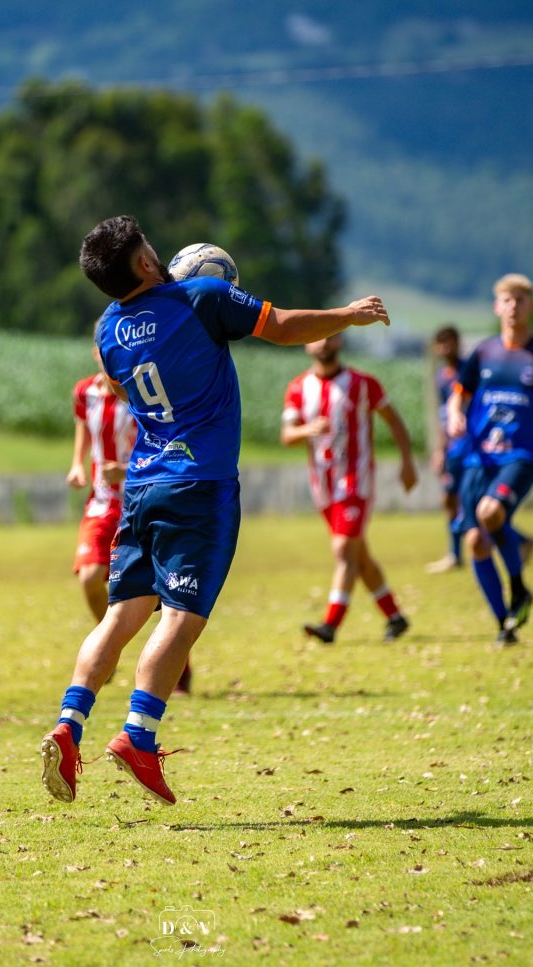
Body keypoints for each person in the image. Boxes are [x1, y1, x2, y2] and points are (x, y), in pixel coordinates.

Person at [41, 214, 391, 806]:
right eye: (151, 247)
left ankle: (69, 725)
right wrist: (348, 315)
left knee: (121, 616)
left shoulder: (105, 330)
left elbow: (125, 391)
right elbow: (280, 326)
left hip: (142, 484)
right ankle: (137, 736)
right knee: (180, 616)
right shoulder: (201, 297)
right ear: (147, 264)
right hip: (199, 484)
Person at [447, 273, 533, 645]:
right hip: (479, 457)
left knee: (489, 513)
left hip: (522, 455)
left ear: (530, 305)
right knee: (475, 543)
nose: (514, 306)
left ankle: (517, 585)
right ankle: (505, 624)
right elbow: (459, 392)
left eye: (521, 299)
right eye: (507, 299)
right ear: (497, 306)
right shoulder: (483, 353)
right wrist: (455, 412)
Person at [67, 345, 192, 693]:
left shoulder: (146, 394)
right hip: (102, 506)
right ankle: (110, 647)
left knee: (163, 594)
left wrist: (125, 470)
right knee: (90, 577)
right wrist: (78, 465)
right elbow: (84, 433)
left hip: (142, 502)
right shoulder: (84, 392)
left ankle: (176, 666)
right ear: (96, 351)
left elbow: (167, 447)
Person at [281, 333, 417, 644]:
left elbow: (394, 421)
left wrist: (407, 462)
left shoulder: (363, 383)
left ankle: (330, 624)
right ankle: (395, 617)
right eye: (317, 338)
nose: (324, 343)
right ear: (306, 345)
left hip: (356, 480)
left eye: (331, 337)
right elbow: (287, 435)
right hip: (323, 486)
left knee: (343, 549)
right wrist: (308, 429)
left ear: (340, 342)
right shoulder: (299, 387)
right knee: (357, 553)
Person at [425, 325, 533, 574]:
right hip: (453, 447)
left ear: (457, 342)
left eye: (450, 342)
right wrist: (440, 449)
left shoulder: (471, 369)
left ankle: (511, 542)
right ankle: (460, 552)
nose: (446, 348)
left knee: (472, 502)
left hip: (472, 447)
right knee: (451, 499)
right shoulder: (442, 377)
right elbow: (445, 417)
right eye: (441, 344)